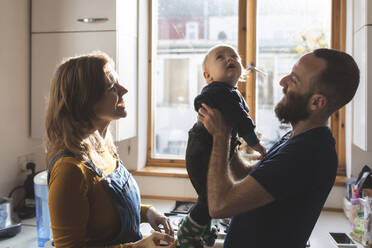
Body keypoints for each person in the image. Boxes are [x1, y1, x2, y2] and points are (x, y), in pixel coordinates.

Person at [197, 48, 360, 248]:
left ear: (317, 102)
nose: (282, 82)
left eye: (294, 79)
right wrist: (227, 132)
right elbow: (250, 179)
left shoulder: (306, 154)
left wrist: (220, 137)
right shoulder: (295, 140)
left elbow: (219, 206)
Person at [45, 52, 176, 248]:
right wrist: (139, 246)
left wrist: (148, 213)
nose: (124, 90)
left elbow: (108, 212)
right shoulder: (69, 169)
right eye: (112, 87)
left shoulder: (104, 151)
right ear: (85, 100)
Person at [177, 44, 266, 248]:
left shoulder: (231, 93)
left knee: (208, 196)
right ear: (208, 75)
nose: (229, 59)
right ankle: (187, 233)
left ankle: (203, 230)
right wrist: (256, 144)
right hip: (201, 150)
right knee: (210, 197)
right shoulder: (219, 91)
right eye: (220, 57)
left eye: (234, 56)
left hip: (202, 149)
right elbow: (241, 120)